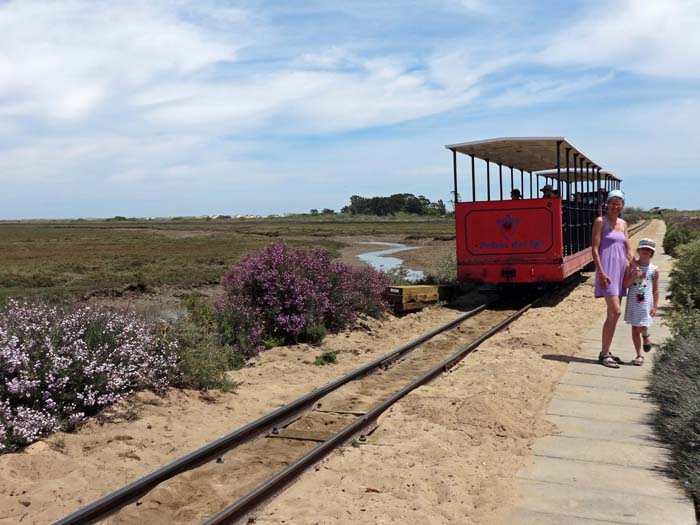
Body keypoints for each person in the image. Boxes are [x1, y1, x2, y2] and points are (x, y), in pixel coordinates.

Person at [591, 189, 633, 368]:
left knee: (613, 315)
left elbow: (628, 249)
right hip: (606, 272)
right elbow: (594, 248)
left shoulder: (623, 223)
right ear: (607, 204)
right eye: (612, 202)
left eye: (619, 203)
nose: (616, 206)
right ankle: (603, 354)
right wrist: (601, 272)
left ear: (622, 205)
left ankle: (606, 351)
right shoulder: (600, 221)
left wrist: (635, 268)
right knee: (615, 311)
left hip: (620, 271)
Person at [622, 239, 659, 366]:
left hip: (645, 302)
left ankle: (646, 336)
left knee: (642, 325)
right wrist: (634, 276)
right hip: (633, 301)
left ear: (652, 253)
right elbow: (625, 285)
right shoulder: (631, 267)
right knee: (634, 329)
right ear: (638, 250)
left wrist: (655, 306)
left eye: (649, 250)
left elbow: (655, 290)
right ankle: (639, 355)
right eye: (643, 249)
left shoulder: (654, 270)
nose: (645, 251)